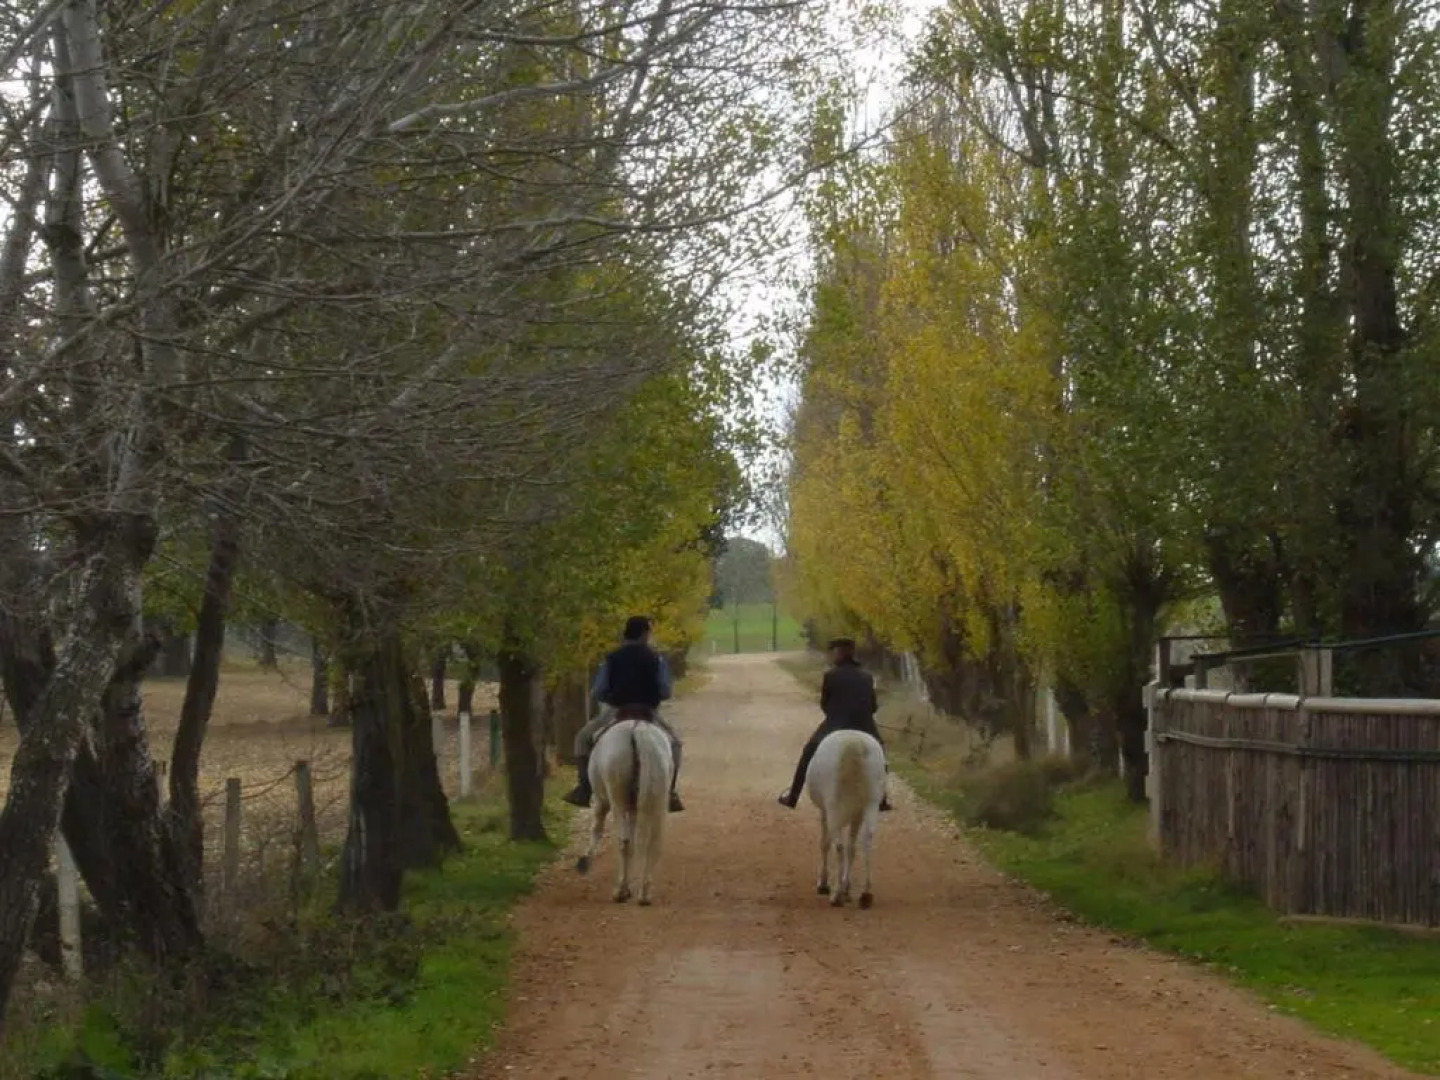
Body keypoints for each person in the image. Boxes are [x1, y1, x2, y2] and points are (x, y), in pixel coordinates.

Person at [563, 615, 685, 813]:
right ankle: (670, 792)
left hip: (618, 711)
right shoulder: (657, 658)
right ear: (645, 633)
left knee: (582, 739)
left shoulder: (612, 658)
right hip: (648, 712)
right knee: (675, 744)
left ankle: (584, 789)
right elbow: (665, 691)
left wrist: (615, 695)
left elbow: (599, 691)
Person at [776, 638, 892, 811]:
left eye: (834, 652)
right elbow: (873, 706)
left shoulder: (831, 676)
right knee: (880, 753)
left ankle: (792, 796)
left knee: (808, 751)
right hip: (865, 725)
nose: (832, 656)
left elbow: (825, 704)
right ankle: (882, 798)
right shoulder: (867, 676)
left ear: (839, 653)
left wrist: (837, 714)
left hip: (835, 725)